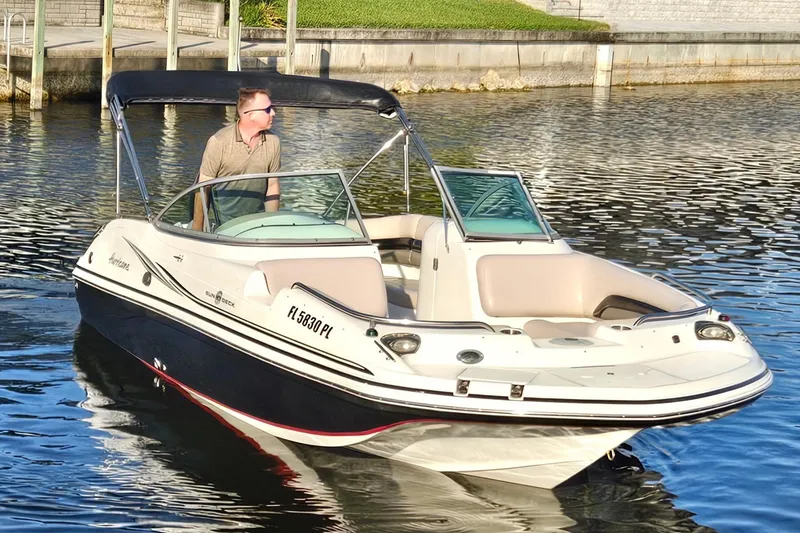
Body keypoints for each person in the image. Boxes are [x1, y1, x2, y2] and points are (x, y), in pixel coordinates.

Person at [192, 87, 281, 231]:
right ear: (251, 115)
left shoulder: (273, 142)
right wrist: (197, 230)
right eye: (267, 109)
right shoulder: (218, 142)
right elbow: (202, 188)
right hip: (224, 228)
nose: (273, 113)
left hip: (258, 226)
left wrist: (272, 227)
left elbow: (272, 186)